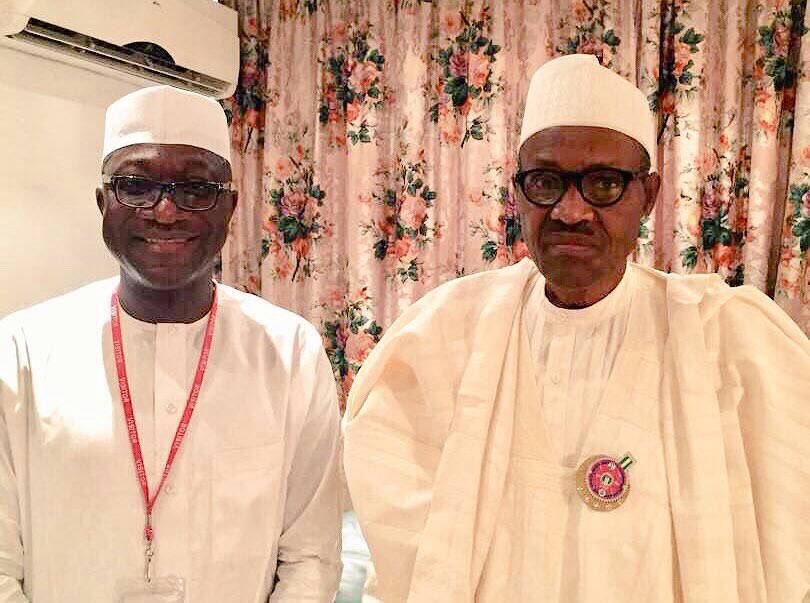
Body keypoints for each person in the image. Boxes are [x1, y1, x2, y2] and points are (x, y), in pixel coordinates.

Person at [343, 54, 810, 602]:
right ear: (518, 192)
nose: (571, 211)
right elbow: (398, 515)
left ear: (648, 196)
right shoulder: (444, 333)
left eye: (604, 184)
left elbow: (784, 538)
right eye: (545, 182)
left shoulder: (727, 337)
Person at [0, 85, 342, 602]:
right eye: (135, 186)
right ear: (102, 202)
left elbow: (310, 558)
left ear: (229, 207)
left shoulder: (291, 353)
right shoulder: (21, 351)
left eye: (196, 189)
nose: (164, 212)